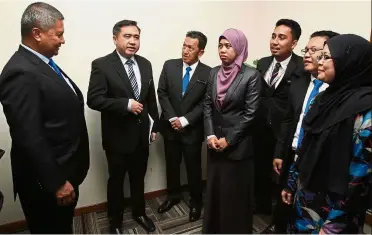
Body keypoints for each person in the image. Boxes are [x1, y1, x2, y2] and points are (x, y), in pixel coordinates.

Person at [0, 2, 90, 233]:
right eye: (58, 34)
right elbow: (28, 136)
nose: (63, 40)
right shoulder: (20, 72)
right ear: (37, 34)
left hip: (63, 171)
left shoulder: (41, 63)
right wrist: (57, 183)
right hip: (47, 183)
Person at [282, 34, 372, 234]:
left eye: (326, 57)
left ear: (349, 63)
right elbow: (307, 146)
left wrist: (334, 224)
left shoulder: (365, 112)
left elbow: (360, 177)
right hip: (305, 201)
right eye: (319, 56)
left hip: (335, 214)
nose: (319, 62)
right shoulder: (323, 99)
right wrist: (291, 183)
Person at [262, 30, 339, 233]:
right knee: (284, 198)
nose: (306, 54)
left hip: (316, 161)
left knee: (309, 210)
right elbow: (288, 120)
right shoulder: (299, 81)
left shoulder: (336, 91)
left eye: (314, 50)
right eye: (307, 49)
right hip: (291, 153)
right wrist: (279, 152)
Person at [87, 20, 159, 233]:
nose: (132, 41)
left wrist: (154, 126)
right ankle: (115, 221)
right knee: (116, 181)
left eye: (136, 37)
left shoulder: (145, 64)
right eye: (127, 36)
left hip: (141, 136)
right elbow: (94, 99)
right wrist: (125, 104)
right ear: (115, 38)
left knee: (138, 179)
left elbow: (150, 99)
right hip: (117, 137)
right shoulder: (101, 64)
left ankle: (139, 213)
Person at [202, 28, 260, 233]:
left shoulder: (251, 75)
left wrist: (228, 139)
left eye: (228, 46)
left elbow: (250, 114)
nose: (223, 50)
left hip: (237, 147)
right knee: (216, 192)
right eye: (220, 46)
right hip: (214, 145)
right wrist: (210, 135)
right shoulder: (213, 72)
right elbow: (207, 105)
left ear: (239, 48)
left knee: (234, 195)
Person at [157, 31, 211, 221]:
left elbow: (206, 102)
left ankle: (196, 202)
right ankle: (173, 196)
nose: (185, 50)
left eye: (191, 47)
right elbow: (161, 92)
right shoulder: (169, 65)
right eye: (184, 45)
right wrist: (173, 119)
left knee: (193, 168)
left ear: (201, 52)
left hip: (192, 131)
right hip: (170, 129)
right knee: (172, 165)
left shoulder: (208, 72)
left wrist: (186, 120)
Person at [253, 19, 303, 220]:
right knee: (260, 170)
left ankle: (281, 218)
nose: (275, 41)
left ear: (293, 43)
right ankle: (263, 206)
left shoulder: (301, 67)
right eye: (273, 36)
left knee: (283, 175)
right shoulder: (263, 63)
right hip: (261, 127)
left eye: (281, 37)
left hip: (285, 130)